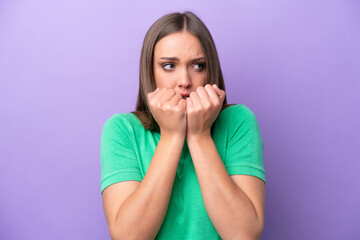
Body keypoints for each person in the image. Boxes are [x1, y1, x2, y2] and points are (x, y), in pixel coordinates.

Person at [100, 11, 266, 240]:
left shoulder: (238, 122)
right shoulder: (122, 130)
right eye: (169, 66)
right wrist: (171, 135)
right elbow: (129, 237)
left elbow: (243, 234)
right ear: (151, 72)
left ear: (210, 71)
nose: (185, 81)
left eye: (197, 66)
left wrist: (199, 136)